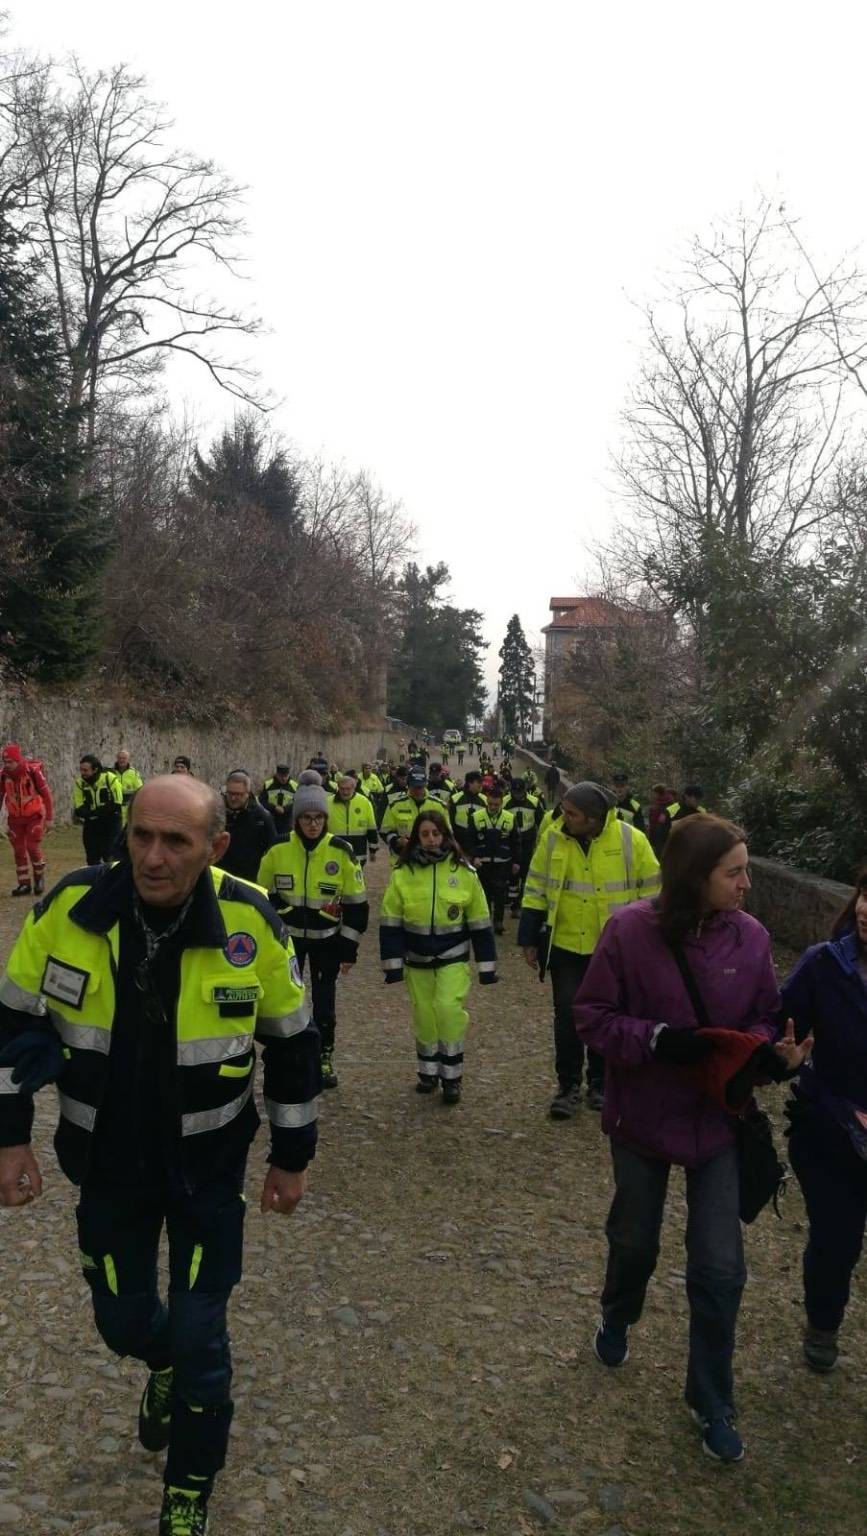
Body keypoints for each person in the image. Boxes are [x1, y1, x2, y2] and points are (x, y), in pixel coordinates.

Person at [0, 775, 319, 1535]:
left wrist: (291, 1153)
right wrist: (10, 1138)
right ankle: (161, 1367)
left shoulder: (251, 918)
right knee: (124, 1323)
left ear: (215, 847)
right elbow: (8, 1027)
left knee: (204, 1335)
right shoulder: (71, 908)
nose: (152, 856)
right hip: (106, 1167)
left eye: (175, 841)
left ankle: (189, 1492)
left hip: (208, 1171)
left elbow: (294, 1041)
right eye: (140, 836)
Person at [574, 814, 809, 1464]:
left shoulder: (752, 938)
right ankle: (618, 1311)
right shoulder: (627, 932)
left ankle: (710, 1399)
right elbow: (591, 1018)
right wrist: (652, 1039)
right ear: (692, 876)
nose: (746, 884)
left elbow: (765, 1013)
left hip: (717, 1125)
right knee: (634, 1240)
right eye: (733, 872)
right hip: (642, 1120)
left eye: (746, 868)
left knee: (718, 1269)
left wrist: (767, 1052)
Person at [519, 783, 659, 1118]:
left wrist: (649, 943)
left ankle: (601, 1083)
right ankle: (567, 1087)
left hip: (612, 949)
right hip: (566, 944)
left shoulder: (631, 840)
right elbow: (535, 886)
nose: (564, 818)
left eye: (572, 813)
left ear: (594, 819)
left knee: (607, 1018)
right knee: (567, 1017)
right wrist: (528, 937)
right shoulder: (553, 838)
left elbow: (654, 894)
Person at [779, 867, 867, 1374]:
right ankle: (823, 1323)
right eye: (864, 893)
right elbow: (780, 1029)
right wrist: (780, 1055)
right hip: (829, 1131)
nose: (864, 909)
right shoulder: (824, 966)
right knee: (837, 1239)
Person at [257, 779, 368, 1090]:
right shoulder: (278, 849)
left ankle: (324, 1055)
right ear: (297, 820)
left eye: (318, 818)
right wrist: (280, 911)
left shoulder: (341, 852)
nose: (313, 824)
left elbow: (357, 906)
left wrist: (349, 951)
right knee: (284, 1000)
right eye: (307, 818)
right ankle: (286, 1052)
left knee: (323, 1003)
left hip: (327, 942)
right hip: (287, 943)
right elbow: (261, 893)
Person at [380, 809, 497, 1101]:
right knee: (424, 1014)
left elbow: (480, 923)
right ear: (416, 838)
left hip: (452, 955)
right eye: (425, 834)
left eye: (436, 833)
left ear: (445, 835)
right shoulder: (403, 874)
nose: (431, 840)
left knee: (448, 1010)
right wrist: (392, 966)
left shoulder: (464, 873)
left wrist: (487, 966)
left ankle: (452, 1077)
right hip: (416, 958)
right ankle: (428, 1072)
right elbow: (391, 921)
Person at [1, 743, 53, 897]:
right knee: (18, 851)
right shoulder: (3, 775)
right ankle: (24, 884)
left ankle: (39, 879)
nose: (7, 765)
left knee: (32, 847)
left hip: (34, 816)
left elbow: (47, 796)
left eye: (10, 762)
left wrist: (49, 818)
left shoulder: (33, 772)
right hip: (15, 819)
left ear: (18, 760)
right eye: (5, 762)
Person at [468, 780, 520, 934]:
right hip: (482, 863)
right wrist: (474, 857)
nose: (493, 808)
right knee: (483, 893)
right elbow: (470, 840)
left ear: (502, 803)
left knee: (500, 893)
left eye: (496, 805)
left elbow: (516, 841)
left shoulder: (510, 818)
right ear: (487, 801)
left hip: (502, 863)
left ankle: (498, 921)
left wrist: (516, 861)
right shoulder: (476, 817)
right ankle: (485, 920)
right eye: (490, 804)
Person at [216, 770, 276, 883]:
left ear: (248, 793)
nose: (233, 798)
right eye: (230, 793)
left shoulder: (262, 817)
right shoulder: (216, 813)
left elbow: (272, 850)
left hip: (249, 879)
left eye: (238, 794)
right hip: (219, 877)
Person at [381, 768, 451, 860]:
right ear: (408, 784)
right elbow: (385, 831)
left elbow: (448, 832)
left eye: (420, 787)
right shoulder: (395, 805)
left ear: (426, 784)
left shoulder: (439, 805)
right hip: (403, 858)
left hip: (431, 859)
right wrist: (397, 841)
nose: (418, 791)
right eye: (415, 787)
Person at [73, 754, 123, 865]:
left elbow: (117, 801)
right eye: (81, 770)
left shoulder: (109, 778)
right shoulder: (79, 783)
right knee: (92, 856)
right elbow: (79, 806)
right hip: (91, 823)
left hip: (111, 822)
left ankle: (113, 880)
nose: (82, 773)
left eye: (85, 770)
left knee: (110, 855)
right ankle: (96, 880)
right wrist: (91, 813)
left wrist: (95, 812)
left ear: (95, 770)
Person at [504, 776, 544, 913]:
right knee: (512, 874)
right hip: (510, 843)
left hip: (528, 843)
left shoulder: (534, 802)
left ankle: (521, 901)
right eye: (515, 793)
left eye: (520, 793)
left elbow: (542, 822)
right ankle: (513, 901)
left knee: (526, 874)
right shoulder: (505, 803)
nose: (518, 796)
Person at [326, 772, 378, 866]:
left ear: (354, 788)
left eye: (348, 789)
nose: (345, 792)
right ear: (338, 787)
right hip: (334, 851)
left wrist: (373, 850)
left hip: (358, 852)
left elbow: (371, 827)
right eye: (342, 789)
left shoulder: (364, 802)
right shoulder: (328, 802)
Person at [451, 770, 487, 854]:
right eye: (478, 782)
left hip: (478, 845)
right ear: (470, 783)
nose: (481, 784)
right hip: (458, 844)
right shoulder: (455, 799)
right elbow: (450, 822)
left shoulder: (485, 800)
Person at [259, 763, 297, 838]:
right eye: (281, 776)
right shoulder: (268, 785)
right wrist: (274, 807)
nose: (284, 779)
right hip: (271, 818)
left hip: (287, 820)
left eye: (286, 776)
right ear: (277, 774)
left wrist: (285, 809)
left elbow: (297, 802)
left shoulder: (294, 786)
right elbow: (262, 801)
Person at [114, 748, 144, 827]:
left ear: (128, 759)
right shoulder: (111, 772)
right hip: (115, 808)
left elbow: (139, 790)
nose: (121, 760)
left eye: (124, 758)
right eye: (120, 758)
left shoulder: (134, 773)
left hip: (128, 808)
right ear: (117, 759)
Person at [647, 782, 671, 857]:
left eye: (653, 793)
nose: (652, 795)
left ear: (657, 793)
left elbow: (653, 825)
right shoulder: (671, 802)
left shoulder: (656, 808)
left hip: (659, 838)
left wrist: (650, 838)